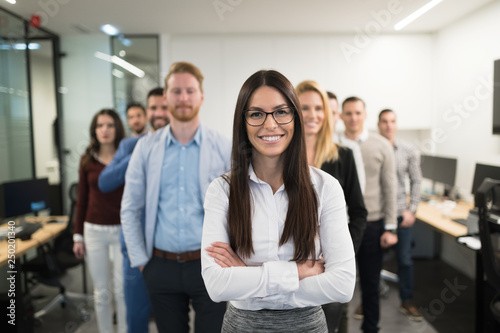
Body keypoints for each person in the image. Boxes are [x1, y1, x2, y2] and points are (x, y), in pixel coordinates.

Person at [201, 70, 356, 333]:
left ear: (295, 117)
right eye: (256, 114)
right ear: (243, 121)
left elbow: (342, 285)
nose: (270, 124)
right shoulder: (221, 191)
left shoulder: (325, 187)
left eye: (281, 112)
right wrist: (299, 271)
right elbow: (217, 286)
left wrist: (249, 278)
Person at [121, 62, 230, 333]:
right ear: (166, 97)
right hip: (160, 267)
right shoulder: (145, 148)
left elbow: (240, 206)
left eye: (190, 91)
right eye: (176, 91)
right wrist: (143, 263)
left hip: (209, 264)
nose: (183, 98)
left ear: (201, 97)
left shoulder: (223, 146)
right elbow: (130, 208)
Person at [297, 80, 367, 333]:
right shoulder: (278, 157)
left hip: (330, 267)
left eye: (319, 108)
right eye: (304, 107)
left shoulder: (343, 156)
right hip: (291, 266)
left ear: (327, 114)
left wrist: (343, 255)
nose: (312, 115)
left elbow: (359, 213)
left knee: (330, 325)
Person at [98, 87, 169, 332]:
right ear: (148, 112)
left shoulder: (182, 145)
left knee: (170, 317)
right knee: (136, 316)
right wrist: (141, 151)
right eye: (154, 108)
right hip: (136, 246)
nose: (159, 112)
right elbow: (105, 182)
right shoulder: (130, 145)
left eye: (164, 107)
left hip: (171, 248)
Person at [340, 97, 398, 333]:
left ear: (364, 115)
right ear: (341, 116)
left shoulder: (381, 145)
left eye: (357, 113)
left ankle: (371, 328)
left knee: (370, 282)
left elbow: (390, 186)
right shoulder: (332, 145)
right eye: (348, 113)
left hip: (373, 224)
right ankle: (338, 326)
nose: (353, 118)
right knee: (337, 282)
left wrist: (391, 227)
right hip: (340, 224)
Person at [72, 109, 126, 333]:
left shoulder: (126, 157)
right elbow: (81, 200)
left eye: (110, 125)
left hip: (122, 231)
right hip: (94, 232)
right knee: (101, 292)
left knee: (122, 290)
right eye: (100, 125)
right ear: (94, 130)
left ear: (117, 129)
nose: (105, 130)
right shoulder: (87, 160)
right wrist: (78, 236)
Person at [377, 109, 423, 321]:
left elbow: (416, 180)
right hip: (376, 214)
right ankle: (368, 301)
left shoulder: (408, 150)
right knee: (371, 261)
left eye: (392, 121)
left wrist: (411, 210)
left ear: (396, 124)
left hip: (399, 216)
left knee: (404, 260)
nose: (388, 125)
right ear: (378, 124)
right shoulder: (370, 148)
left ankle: (406, 300)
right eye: (384, 121)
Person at [327, 91, 366, 194]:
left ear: (338, 116)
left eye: (333, 113)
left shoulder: (349, 148)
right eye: (325, 111)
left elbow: (357, 193)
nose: (328, 118)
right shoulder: (299, 148)